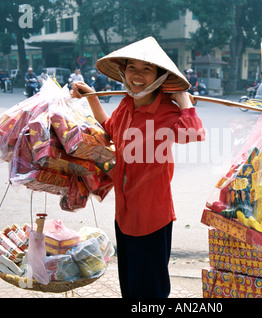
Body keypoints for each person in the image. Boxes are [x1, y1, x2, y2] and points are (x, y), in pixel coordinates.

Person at [71, 37, 205, 298]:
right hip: (124, 214)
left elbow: (194, 134)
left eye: (147, 69)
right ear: (124, 72)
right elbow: (110, 127)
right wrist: (90, 96)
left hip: (152, 218)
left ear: (159, 76)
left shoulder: (167, 111)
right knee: (130, 288)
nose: (137, 75)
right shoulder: (126, 104)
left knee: (150, 292)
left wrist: (182, 98)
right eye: (132, 67)